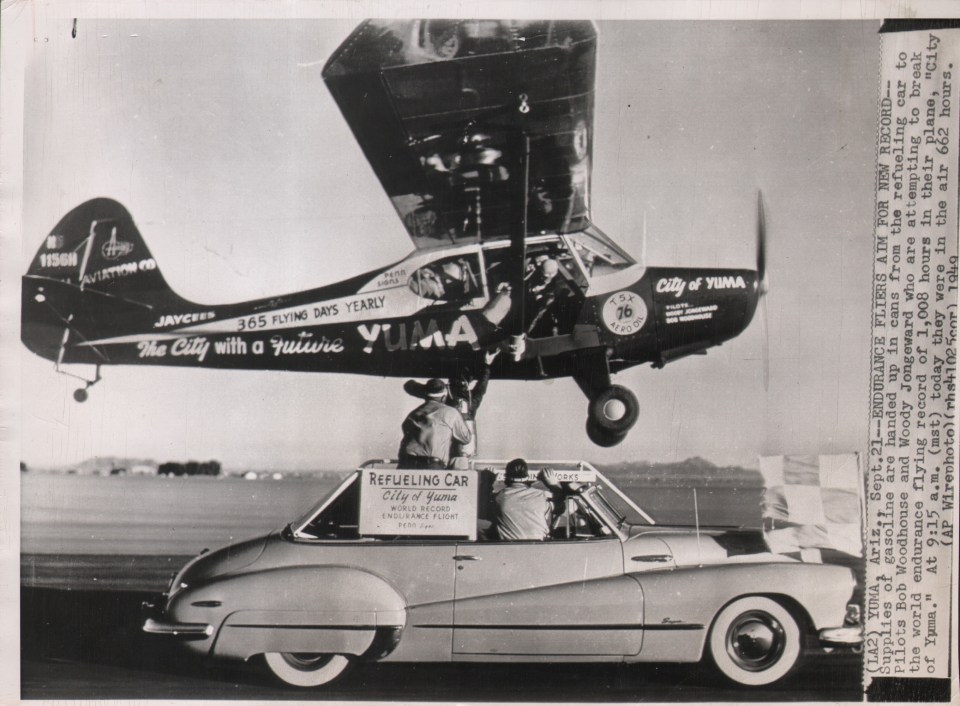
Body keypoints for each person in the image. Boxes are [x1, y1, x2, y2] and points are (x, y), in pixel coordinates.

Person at [398, 378, 472, 469]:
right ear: (443, 397)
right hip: (430, 466)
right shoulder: (450, 412)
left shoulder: (413, 414)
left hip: (406, 464)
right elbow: (466, 438)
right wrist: (461, 415)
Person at [494, 458, 566, 541]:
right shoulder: (542, 496)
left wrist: (487, 480)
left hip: (509, 549)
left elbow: (481, 506)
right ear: (526, 477)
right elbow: (561, 507)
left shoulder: (498, 498)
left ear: (506, 477)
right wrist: (553, 485)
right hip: (538, 547)